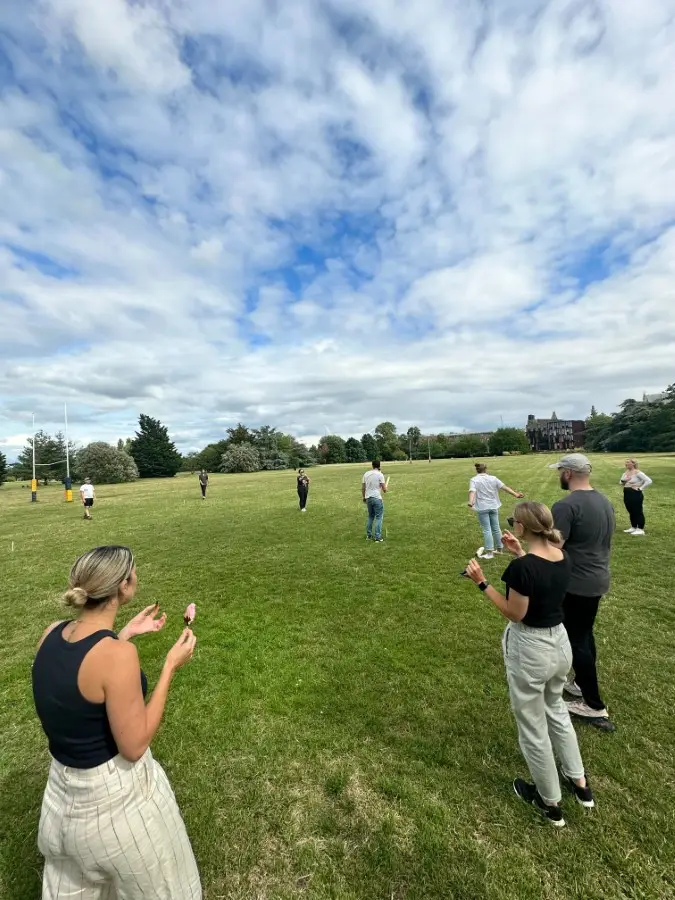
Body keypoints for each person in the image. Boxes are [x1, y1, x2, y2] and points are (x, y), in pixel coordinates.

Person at [32, 546, 202, 899]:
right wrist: (170, 666)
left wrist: (123, 633)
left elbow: (80, 687)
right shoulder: (117, 657)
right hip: (113, 808)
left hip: (59, 802)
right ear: (123, 586)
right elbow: (134, 745)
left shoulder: (51, 634)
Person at [465, 502, 594, 827]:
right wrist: (520, 552)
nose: (512, 525)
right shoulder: (560, 555)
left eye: (513, 521)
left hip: (532, 648)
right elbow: (542, 577)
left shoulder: (522, 569)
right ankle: (580, 784)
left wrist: (481, 582)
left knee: (533, 726)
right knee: (557, 710)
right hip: (559, 643)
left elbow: (515, 612)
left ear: (522, 526)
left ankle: (549, 801)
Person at [548, 453, 615, 728]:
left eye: (559, 471)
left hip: (576, 583)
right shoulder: (604, 500)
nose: (559, 476)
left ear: (568, 473)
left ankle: (593, 705)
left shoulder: (566, 505)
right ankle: (579, 684)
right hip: (597, 578)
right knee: (584, 635)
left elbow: (554, 548)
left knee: (576, 640)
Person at [468, 463, 524, 560]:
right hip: (494, 506)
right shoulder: (493, 478)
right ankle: (499, 549)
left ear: (477, 470)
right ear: (486, 470)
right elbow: (504, 487)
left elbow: (472, 491)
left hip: (482, 507)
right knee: (496, 528)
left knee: (487, 529)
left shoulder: (474, 480)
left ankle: (489, 553)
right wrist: (516, 494)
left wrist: (470, 501)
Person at [620, 459, 652, 535]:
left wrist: (640, 488)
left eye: (628, 462)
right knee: (630, 510)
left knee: (637, 511)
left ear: (633, 464)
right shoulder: (625, 473)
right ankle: (633, 527)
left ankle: (640, 529)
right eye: (626, 462)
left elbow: (649, 481)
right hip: (627, 493)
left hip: (635, 494)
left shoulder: (638, 473)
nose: (626, 464)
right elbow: (620, 482)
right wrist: (624, 480)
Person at [362, 460, 388, 542]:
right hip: (377, 498)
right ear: (379, 466)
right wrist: (385, 488)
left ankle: (369, 536)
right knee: (379, 517)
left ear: (372, 465)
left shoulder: (366, 474)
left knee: (370, 516)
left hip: (368, 498)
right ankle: (377, 537)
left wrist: (364, 497)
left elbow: (363, 487)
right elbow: (384, 489)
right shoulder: (380, 474)